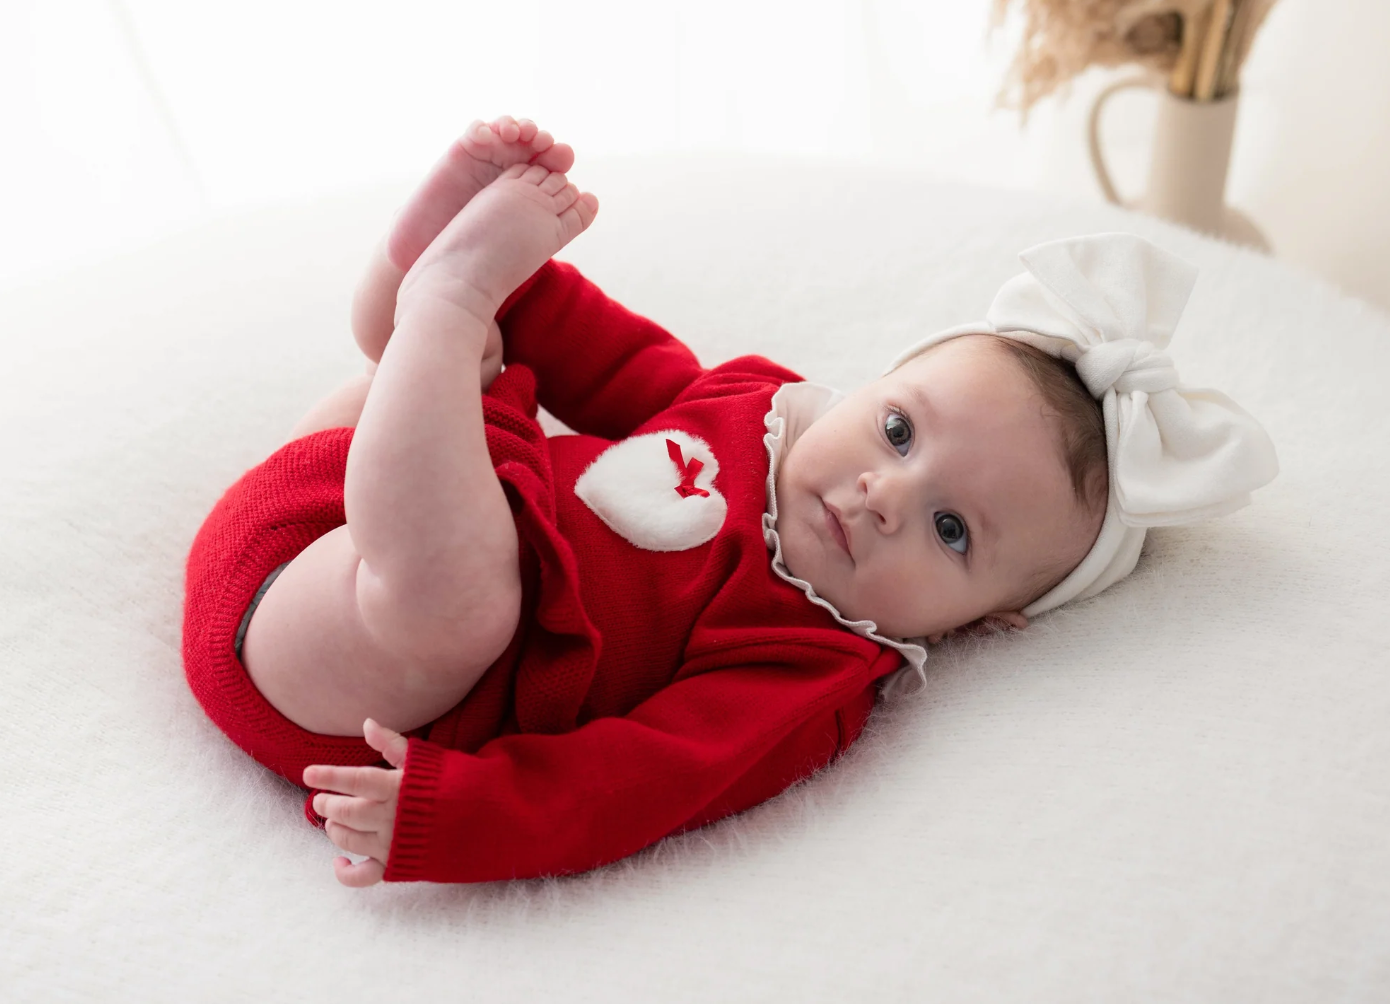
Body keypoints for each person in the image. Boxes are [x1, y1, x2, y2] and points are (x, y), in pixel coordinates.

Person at [181, 116, 1278, 888]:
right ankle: (440, 278)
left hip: (342, 674)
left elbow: (638, 779)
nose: (883, 495)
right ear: (872, 386)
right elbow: (603, 355)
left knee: (464, 595)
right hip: (310, 516)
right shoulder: (756, 403)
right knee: (466, 373)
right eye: (899, 431)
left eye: (952, 530)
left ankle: (442, 297)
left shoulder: (810, 667)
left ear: (989, 619)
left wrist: (462, 813)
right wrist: (525, 278)